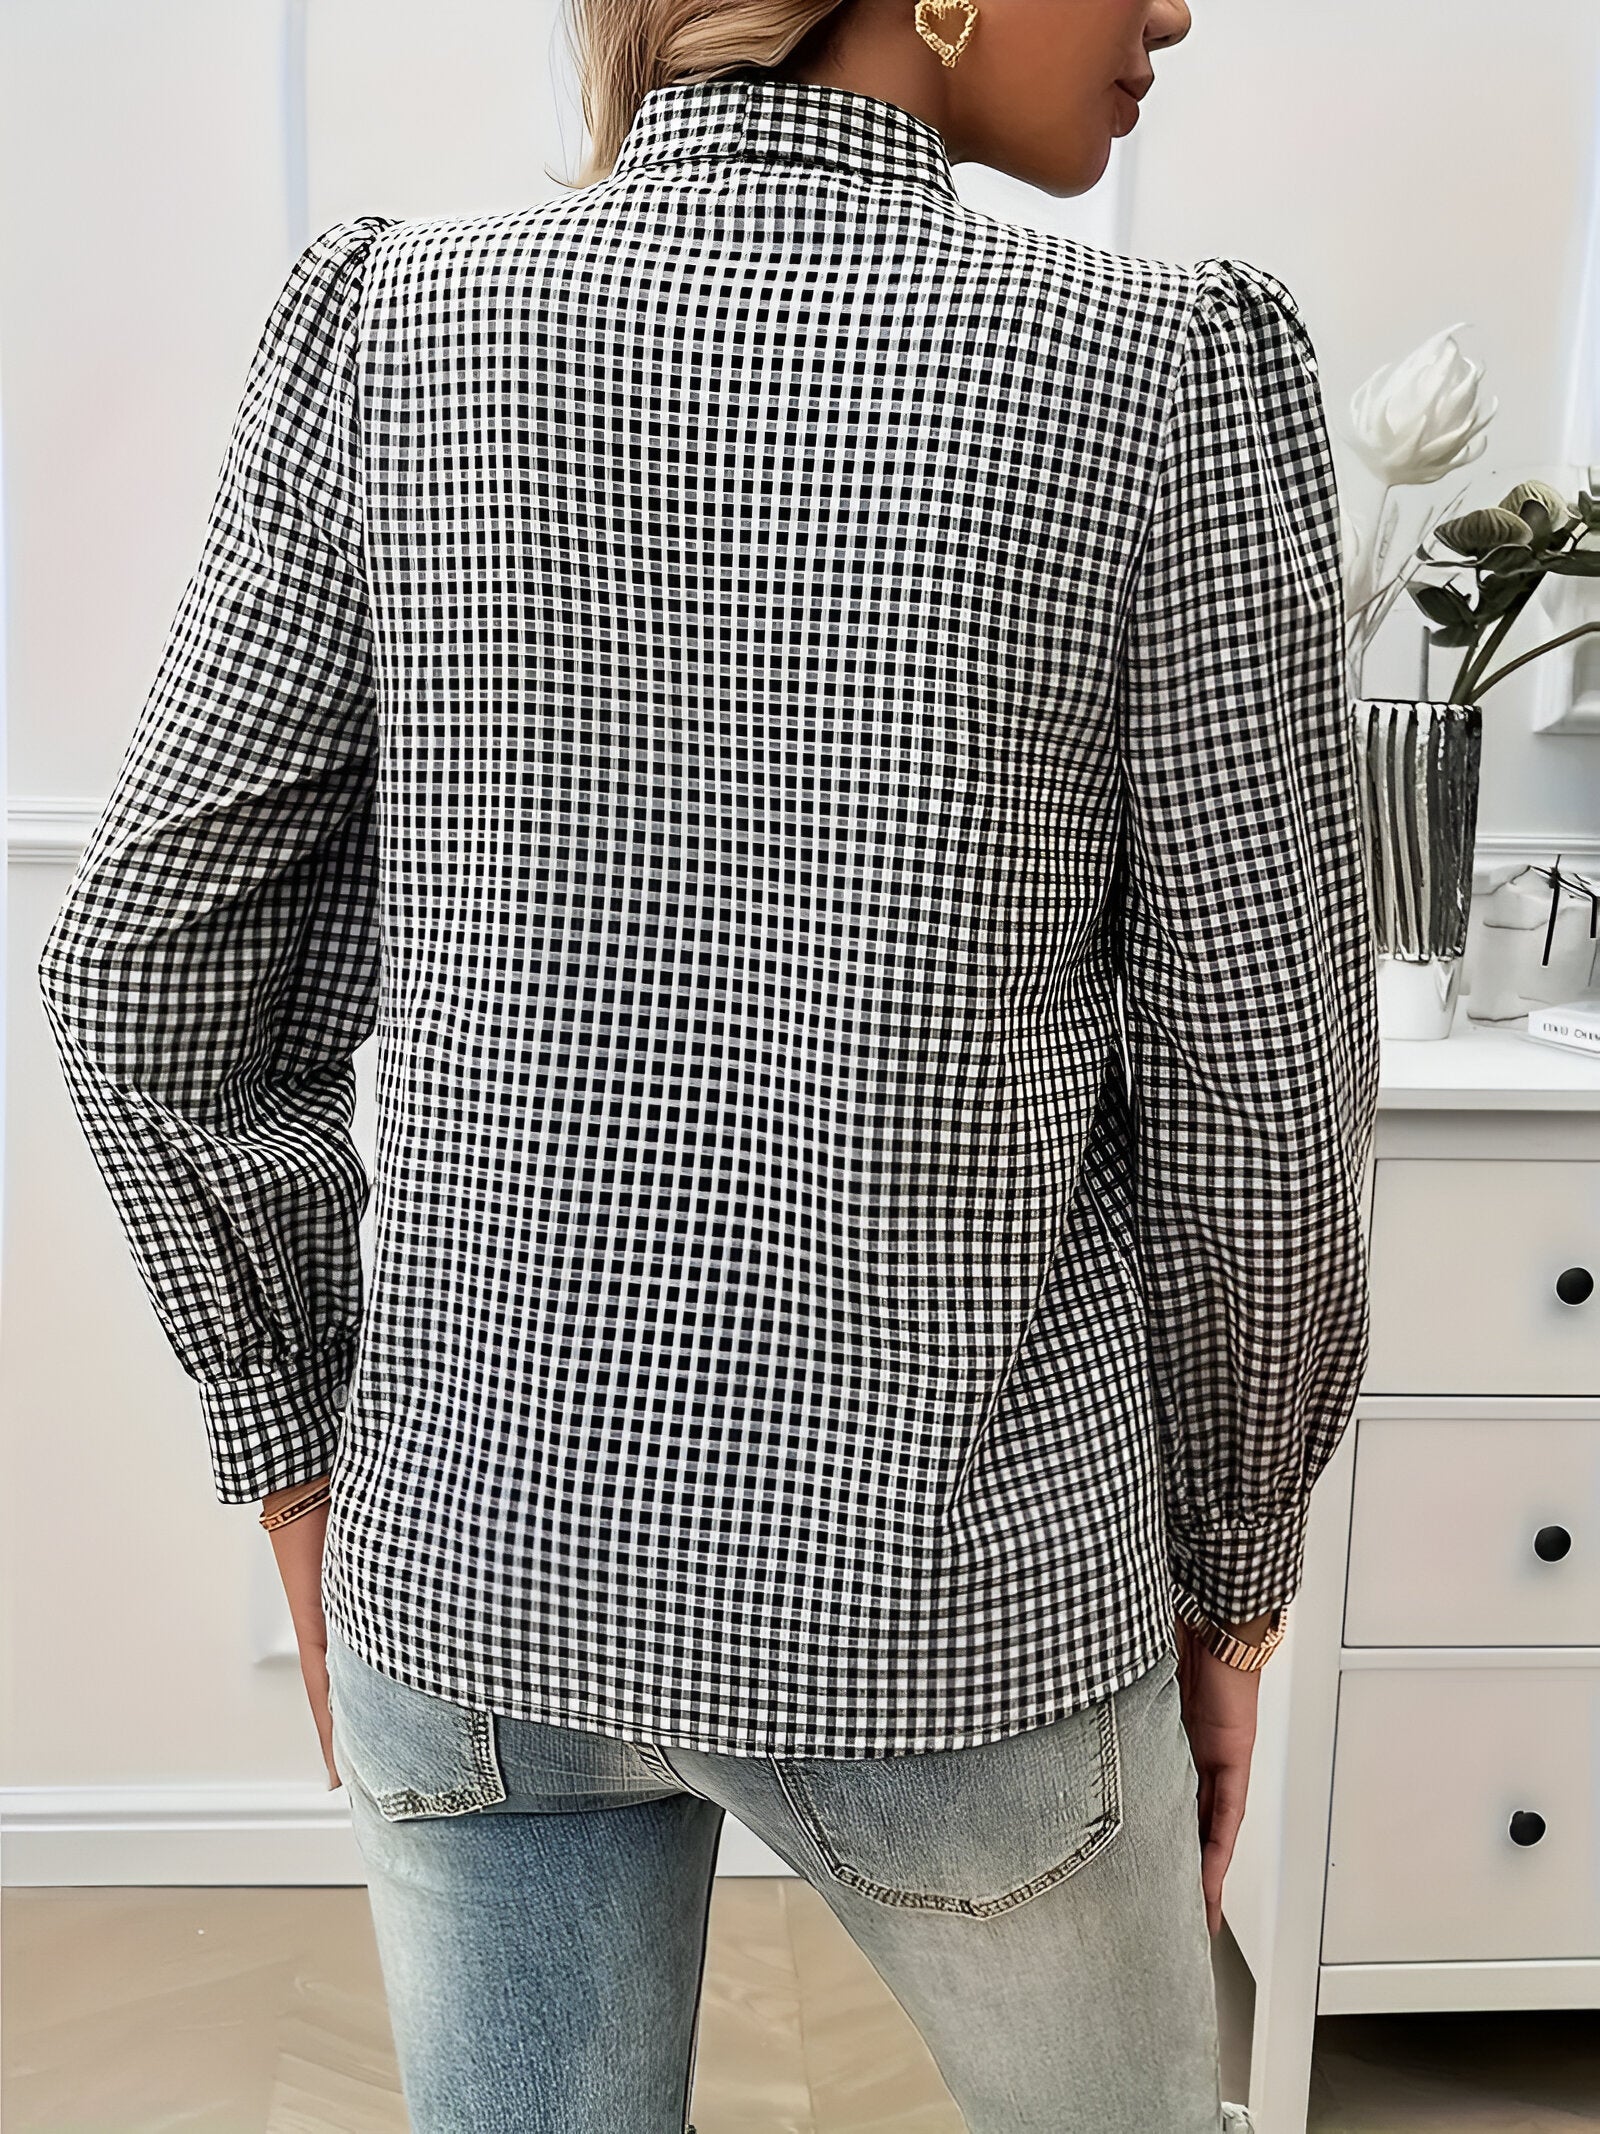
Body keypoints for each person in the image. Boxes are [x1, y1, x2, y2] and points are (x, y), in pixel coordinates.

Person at [36, 0, 1381, 2126]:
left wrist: (299, 1451)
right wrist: (1233, 1580)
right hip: (963, 1591)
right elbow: (1263, 1097)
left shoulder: (390, 327)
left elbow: (142, 967)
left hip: (473, 1549)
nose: (1170, 10)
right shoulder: (1156, 371)